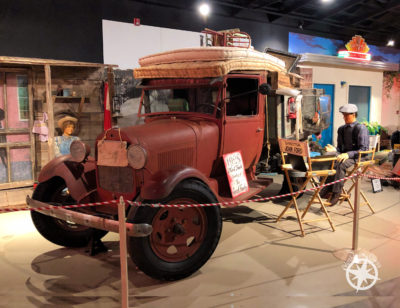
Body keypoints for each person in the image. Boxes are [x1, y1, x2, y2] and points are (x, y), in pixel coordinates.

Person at [320, 104, 369, 206]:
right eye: (344, 115)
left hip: (358, 157)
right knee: (328, 158)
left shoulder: (360, 128)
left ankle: (336, 193)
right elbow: (340, 148)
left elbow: (364, 149)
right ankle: (326, 187)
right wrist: (334, 150)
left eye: (347, 115)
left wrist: (348, 154)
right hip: (344, 155)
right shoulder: (341, 129)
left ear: (354, 114)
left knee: (340, 165)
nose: (344, 117)